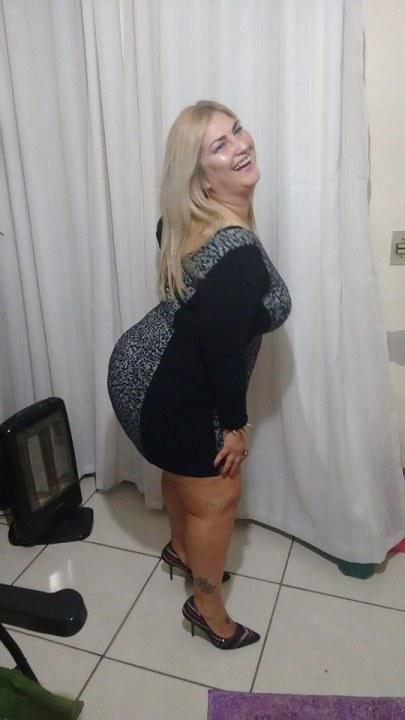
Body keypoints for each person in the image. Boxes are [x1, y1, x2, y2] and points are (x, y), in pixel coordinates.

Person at [107, 100, 292, 650]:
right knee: (216, 498)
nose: (241, 145)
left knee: (184, 470)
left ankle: (183, 552)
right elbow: (222, 351)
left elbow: (205, 317)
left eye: (237, 130)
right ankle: (207, 609)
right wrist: (234, 427)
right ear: (202, 179)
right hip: (168, 390)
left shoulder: (190, 219)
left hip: (140, 368)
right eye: (220, 145)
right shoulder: (237, 257)